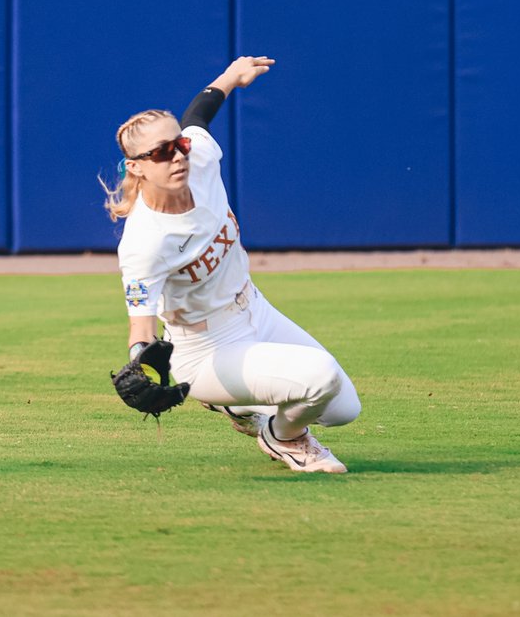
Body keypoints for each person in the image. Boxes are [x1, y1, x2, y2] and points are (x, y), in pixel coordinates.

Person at [103, 57, 361, 473]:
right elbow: (141, 325)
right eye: (162, 152)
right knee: (321, 377)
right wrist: (139, 365)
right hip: (204, 348)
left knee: (344, 407)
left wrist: (231, 77)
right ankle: (285, 438)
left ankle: (239, 402)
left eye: (179, 145)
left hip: (255, 309)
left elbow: (197, 116)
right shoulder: (144, 242)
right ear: (136, 166)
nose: (177, 156)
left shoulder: (199, 158)